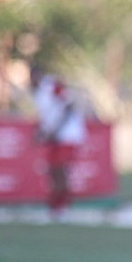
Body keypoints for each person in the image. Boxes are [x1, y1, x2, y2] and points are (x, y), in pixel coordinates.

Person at [29, 64, 87, 222]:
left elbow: (68, 106)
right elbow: (48, 116)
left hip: (68, 135)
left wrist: (55, 129)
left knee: (61, 172)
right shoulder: (36, 94)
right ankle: (54, 207)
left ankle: (63, 208)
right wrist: (42, 132)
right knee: (52, 172)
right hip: (54, 137)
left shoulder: (51, 85)